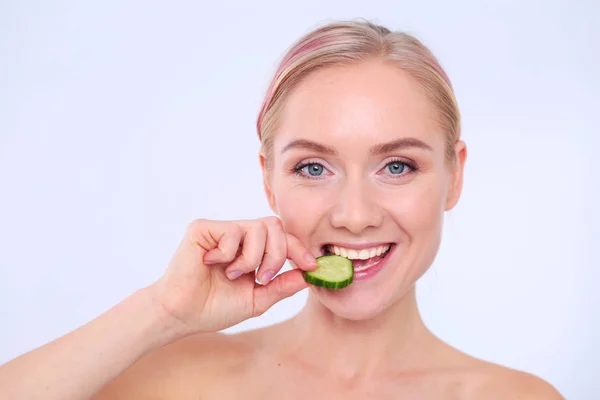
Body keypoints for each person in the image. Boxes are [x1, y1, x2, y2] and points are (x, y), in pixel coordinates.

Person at [0, 19, 563, 399]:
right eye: (314, 168)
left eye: (397, 166)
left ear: (454, 175)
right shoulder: (180, 378)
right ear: (269, 180)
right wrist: (161, 313)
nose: (354, 215)